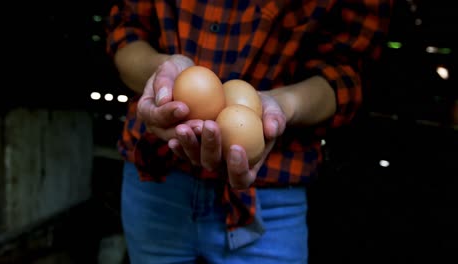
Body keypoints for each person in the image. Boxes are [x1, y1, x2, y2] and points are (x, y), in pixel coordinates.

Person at [105, 0, 392, 263]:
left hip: (272, 196)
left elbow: (347, 74)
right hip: (156, 177)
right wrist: (163, 74)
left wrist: (283, 105)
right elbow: (126, 33)